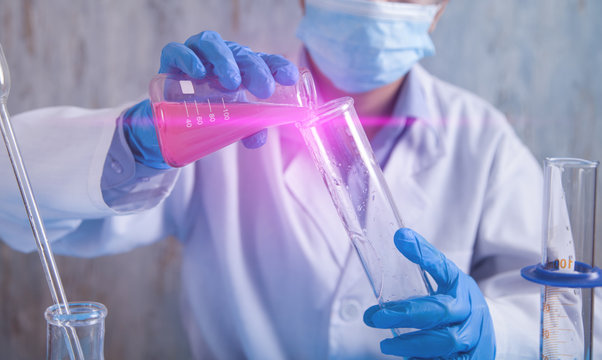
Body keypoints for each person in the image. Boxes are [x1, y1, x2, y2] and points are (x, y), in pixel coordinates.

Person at [0, 0, 543, 358]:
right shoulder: (225, 105)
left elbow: (568, 318)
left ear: (441, 7)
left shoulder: (484, 143)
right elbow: (14, 191)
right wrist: (136, 143)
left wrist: (496, 333)